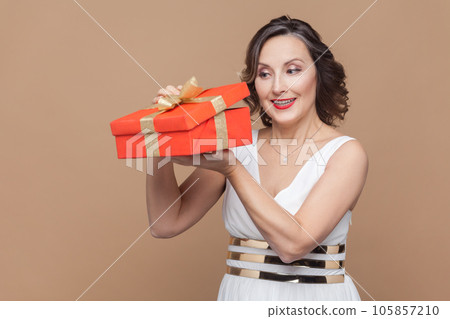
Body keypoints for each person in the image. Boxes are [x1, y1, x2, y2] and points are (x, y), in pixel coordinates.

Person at [146, 15, 369, 301]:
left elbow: (293, 245)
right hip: (241, 298)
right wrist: (159, 135)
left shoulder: (347, 154)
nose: (278, 87)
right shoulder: (238, 145)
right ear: (254, 84)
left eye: (293, 70)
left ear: (319, 74)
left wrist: (233, 170)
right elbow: (165, 224)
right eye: (264, 74)